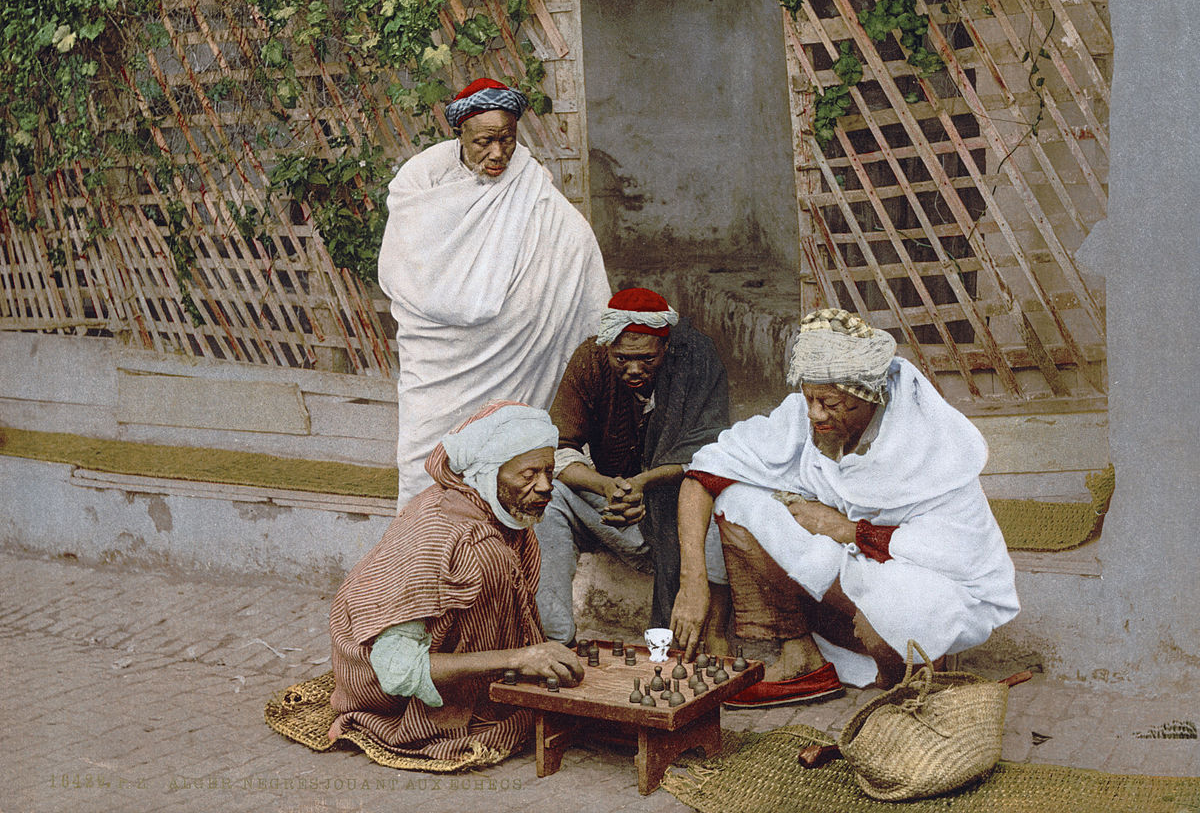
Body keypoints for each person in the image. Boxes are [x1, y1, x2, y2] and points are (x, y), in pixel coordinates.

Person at [669, 308, 1019, 706]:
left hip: (924, 579)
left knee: (889, 621)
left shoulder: (926, 440)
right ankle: (800, 655)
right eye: (809, 398)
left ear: (868, 396)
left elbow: (954, 552)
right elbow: (704, 474)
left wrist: (845, 528)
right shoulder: (805, 416)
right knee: (737, 499)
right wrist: (692, 582)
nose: (815, 413)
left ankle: (916, 671)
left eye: (829, 402)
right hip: (847, 564)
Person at [377, 78, 610, 503]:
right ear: (460, 134)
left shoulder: (530, 189)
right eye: (484, 141)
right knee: (425, 462)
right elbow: (406, 268)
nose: (498, 153)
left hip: (516, 362)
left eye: (507, 139)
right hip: (437, 362)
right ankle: (425, 540)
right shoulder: (422, 182)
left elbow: (574, 242)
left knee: (509, 463)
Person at [328, 401, 583, 762]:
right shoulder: (444, 535)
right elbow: (397, 672)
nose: (544, 486)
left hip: (428, 658)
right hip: (378, 682)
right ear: (487, 473)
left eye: (548, 472)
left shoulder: (501, 517)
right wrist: (518, 658)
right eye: (528, 475)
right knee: (488, 556)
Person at [535, 287, 732, 651]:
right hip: (617, 510)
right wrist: (606, 487)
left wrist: (645, 482)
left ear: (666, 348)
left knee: (726, 498)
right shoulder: (590, 360)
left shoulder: (695, 360)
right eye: (622, 358)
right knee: (551, 497)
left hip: (680, 518)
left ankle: (713, 635)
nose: (634, 370)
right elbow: (558, 449)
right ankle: (556, 639)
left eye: (647, 359)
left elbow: (710, 453)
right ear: (607, 347)